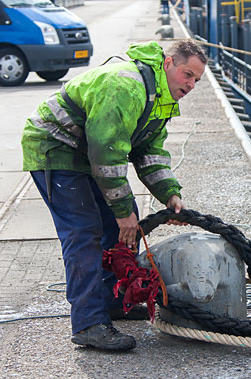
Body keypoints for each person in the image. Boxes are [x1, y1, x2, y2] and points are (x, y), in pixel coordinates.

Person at [21, 39, 207, 351]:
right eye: (187, 75)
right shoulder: (127, 86)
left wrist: (170, 195)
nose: (190, 85)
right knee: (85, 232)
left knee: (119, 230)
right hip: (55, 148)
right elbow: (107, 154)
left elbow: (150, 153)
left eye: (197, 81)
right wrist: (124, 213)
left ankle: (111, 301)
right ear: (168, 63)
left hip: (86, 152)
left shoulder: (161, 97)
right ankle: (88, 323)